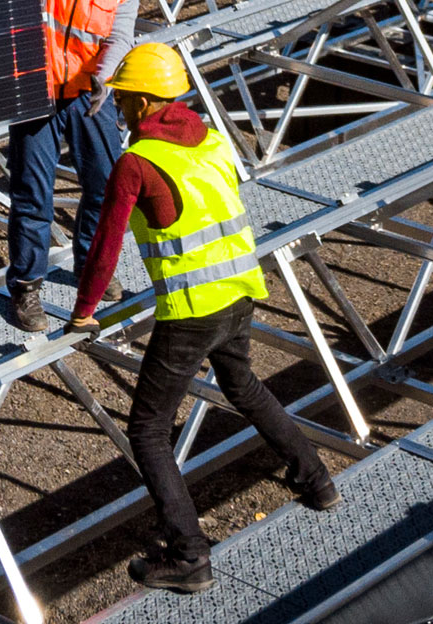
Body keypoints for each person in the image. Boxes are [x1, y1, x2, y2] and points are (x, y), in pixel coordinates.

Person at [67, 42, 336, 594]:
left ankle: (189, 556)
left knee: (147, 430)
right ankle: (317, 480)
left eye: (123, 100)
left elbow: (104, 247)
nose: (117, 110)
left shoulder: (138, 162)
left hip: (192, 311)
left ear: (144, 101)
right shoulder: (211, 138)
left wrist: (83, 312)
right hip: (240, 293)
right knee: (245, 387)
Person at [5, 0, 143, 332]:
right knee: (32, 193)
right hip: (36, 88)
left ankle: (92, 267)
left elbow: (120, 35)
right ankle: (26, 286)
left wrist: (104, 79)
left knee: (106, 186)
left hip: (89, 92)